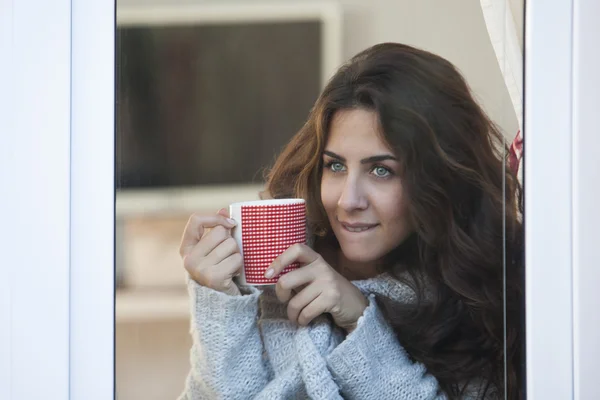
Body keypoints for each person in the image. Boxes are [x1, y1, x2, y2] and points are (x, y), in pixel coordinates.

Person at [177, 42, 524, 399]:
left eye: (381, 170)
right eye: (336, 165)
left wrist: (360, 321)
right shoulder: (273, 273)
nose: (348, 200)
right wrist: (221, 304)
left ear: (438, 179)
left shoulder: (475, 301)